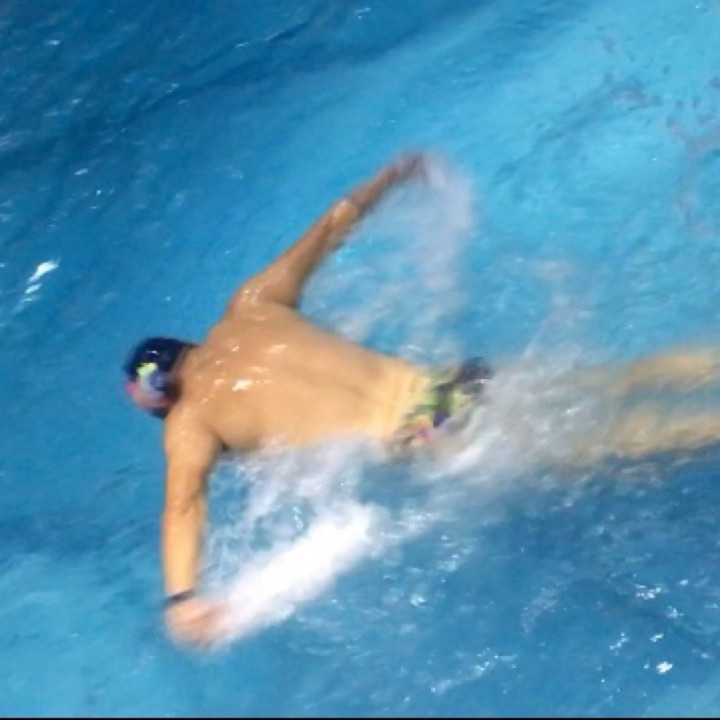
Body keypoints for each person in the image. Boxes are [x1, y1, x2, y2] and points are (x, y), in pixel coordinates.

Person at [124, 151, 720, 646]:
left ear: (161, 399)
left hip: (432, 432)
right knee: (624, 378)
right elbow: (332, 226)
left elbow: (183, 505)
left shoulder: (190, 421)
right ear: (188, 347)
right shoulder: (253, 305)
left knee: (620, 446)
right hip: (457, 381)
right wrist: (390, 178)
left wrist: (183, 598)